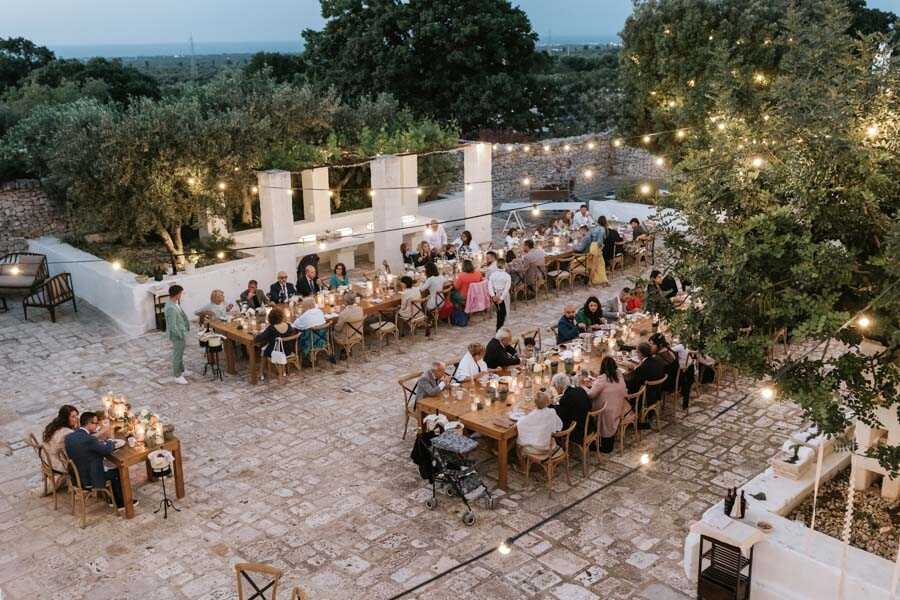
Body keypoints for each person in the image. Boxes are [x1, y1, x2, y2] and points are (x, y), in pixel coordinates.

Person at [65, 411, 132, 510]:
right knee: (118, 470)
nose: (97, 425)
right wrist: (110, 441)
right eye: (95, 423)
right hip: (90, 479)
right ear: (88, 424)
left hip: (77, 477)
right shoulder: (89, 440)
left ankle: (110, 498)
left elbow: (87, 443)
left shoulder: (70, 437)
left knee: (106, 466)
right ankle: (120, 503)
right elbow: (106, 450)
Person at [584, 356, 628, 452]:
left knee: (584, 406)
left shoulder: (603, 379)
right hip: (619, 405)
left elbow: (591, 395)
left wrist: (583, 387)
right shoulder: (619, 374)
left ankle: (590, 433)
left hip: (605, 409)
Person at [625, 342, 667, 427]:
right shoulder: (657, 360)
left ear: (641, 354)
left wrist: (630, 372)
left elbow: (631, 383)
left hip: (646, 396)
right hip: (656, 392)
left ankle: (628, 417)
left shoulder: (643, 368)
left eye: (637, 352)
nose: (636, 354)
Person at [516, 388, 563, 457]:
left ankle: (520, 461)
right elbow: (559, 426)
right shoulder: (552, 412)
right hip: (549, 445)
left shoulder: (533, 414)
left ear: (535, 403)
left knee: (518, 440)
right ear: (547, 402)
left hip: (537, 448)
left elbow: (519, 424)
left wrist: (524, 417)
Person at [42, 404, 79, 488]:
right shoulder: (67, 432)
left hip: (47, 459)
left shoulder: (54, 425)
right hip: (57, 464)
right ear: (66, 418)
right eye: (73, 417)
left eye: (76, 416)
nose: (76, 419)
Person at [551, 373, 591, 445]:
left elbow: (560, 415)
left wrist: (550, 405)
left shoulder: (566, 398)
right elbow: (590, 405)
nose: (555, 389)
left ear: (559, 386)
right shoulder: (579, 389)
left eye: (555, 386)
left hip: (578, 432)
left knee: (552, 422)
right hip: (589, 425)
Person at [164, 284, 190, 385]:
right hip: (177, 335)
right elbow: (172, 325)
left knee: (180, 353)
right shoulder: (171, 307)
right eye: (180, 293)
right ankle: (177, 375)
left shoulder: (174, 303)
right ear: (177, 294)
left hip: (181, 332)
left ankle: (182, 370)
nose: (181, 295)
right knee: (177, 354)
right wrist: (180, 335)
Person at [487, 258, 512, 330]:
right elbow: (507, 288)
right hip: (503, 294)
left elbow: (490, 286)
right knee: (505, 311)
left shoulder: (493, 275)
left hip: (495, 294)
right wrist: (501, 298)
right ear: (505, 265)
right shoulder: (507, 276)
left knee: (499, 311)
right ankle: (501, 327)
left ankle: (499, 327)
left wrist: (493, 295)